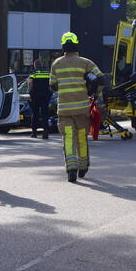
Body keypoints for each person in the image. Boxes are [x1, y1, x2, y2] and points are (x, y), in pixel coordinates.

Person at [50, 32, 106, 183]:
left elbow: (53, 85)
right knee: (81, 137)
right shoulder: (86, 62)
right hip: (82, 109)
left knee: (68, 139)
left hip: (64, 110)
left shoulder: (56, 63)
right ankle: (83, 167)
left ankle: (71, 170)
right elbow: (101, 78)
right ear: (76, 44)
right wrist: (94, 93)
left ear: (63, 45)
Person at [27, 59, 52, 139]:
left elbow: (30, 83)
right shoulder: (47, 72)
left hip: (35, 95)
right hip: (45, 95)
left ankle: (34, 132)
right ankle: (45, 132)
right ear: (41, 64)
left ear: (35, 65)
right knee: (45, 114)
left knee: (35, 113)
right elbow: (51, 83)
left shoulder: (33, 72)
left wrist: (30, 91)